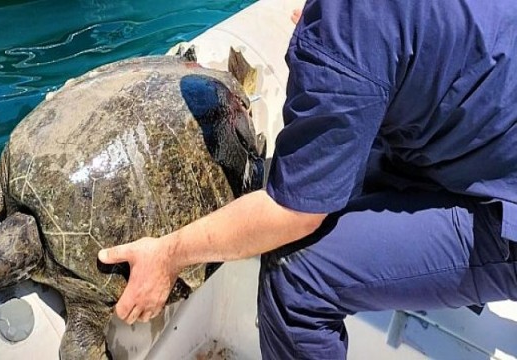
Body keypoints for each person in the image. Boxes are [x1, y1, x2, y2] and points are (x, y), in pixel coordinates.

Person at [98, 0, 517, 358]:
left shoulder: (346, 27)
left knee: (296, 275)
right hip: (494, 146)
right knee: (348, 165)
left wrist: (169, 254)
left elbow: (295, 214)